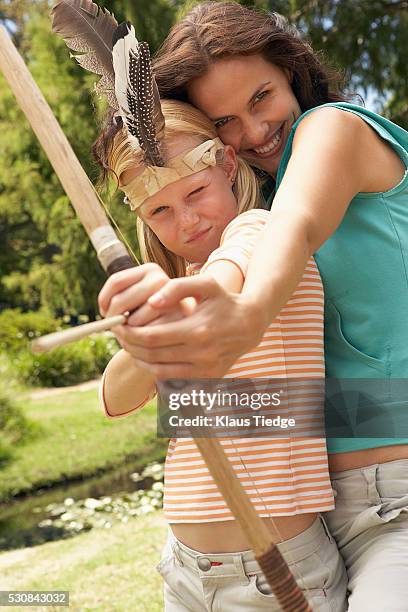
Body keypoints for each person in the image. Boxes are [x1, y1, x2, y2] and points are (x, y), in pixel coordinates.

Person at [97, 3, 408, 610]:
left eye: (262, 97)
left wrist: (245, 314)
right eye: (226, 121)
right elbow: (211, 410)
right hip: (310, 517)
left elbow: (288, 230)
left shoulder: (331, 130)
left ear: (292, 73)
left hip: (393, 501)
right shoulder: (228, 220)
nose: (255, 129)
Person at [98, 97, 348, 611]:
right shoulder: (182, 285)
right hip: (186, 568)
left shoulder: (262, 232)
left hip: (277, 570)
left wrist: (173, 306)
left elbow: (230, 270)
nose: (186, 220)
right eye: (160, 211)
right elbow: (114, 397)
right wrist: (147, 335)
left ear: (228, 166)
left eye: (196, 191)